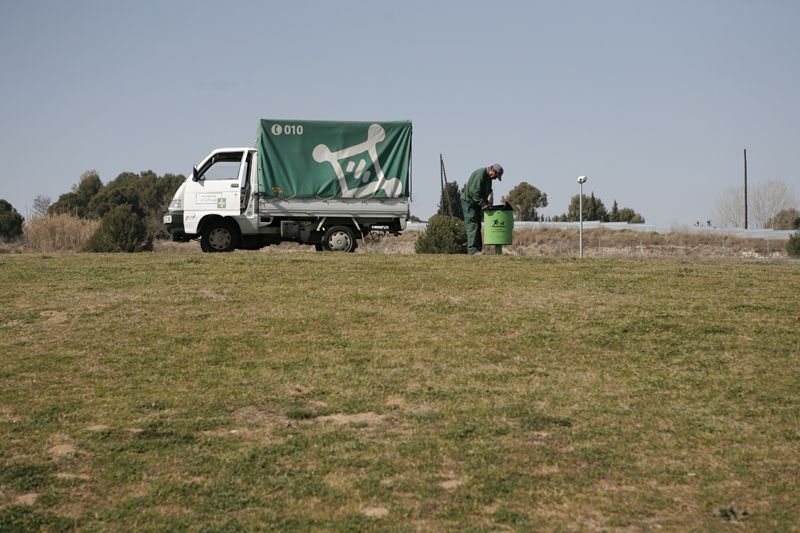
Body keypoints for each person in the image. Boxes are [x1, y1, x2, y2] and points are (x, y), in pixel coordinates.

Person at [460, 164, 503, 255]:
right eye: (496, 176)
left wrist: (486, 203)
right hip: (469, 203)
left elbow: (485, 192)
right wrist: (483, 204)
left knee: (478, 225)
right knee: (472, 224)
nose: (495, 178)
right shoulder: (481, 174)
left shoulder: (488, 178)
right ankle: (472, 250)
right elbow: (475, 192)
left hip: (476, 203)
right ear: (492, 171)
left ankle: (478, 249)